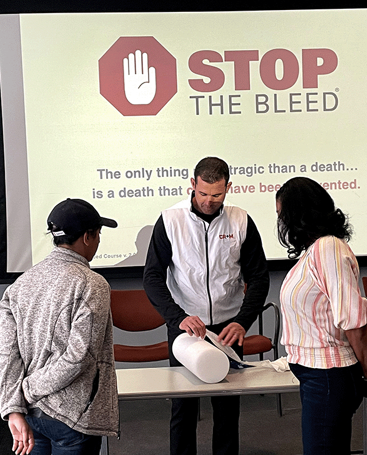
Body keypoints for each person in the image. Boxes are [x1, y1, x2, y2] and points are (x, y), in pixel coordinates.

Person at [143, 156, 270, 455]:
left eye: (216, 195)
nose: (209, 201)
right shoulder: (171, 220)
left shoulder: (241, 220)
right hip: (186, 327)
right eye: (203, 194)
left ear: (228, 187)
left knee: (227, 407)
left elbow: (259, 277)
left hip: (229, 327)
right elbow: (152, 277)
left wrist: (243, 321)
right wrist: (178, 318)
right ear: (192, 185)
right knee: (183, 407)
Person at [275, 177, 367, 455]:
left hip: (328, 376)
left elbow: (356, 323)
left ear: (297, 214)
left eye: (282, 215)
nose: (281, 223)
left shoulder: (328, 248)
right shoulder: (314, 251)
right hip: (318, 375)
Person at [0, 198, 120, 455]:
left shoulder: (19, 284)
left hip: (30, 414)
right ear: (87, 237)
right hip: (72, 417)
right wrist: (28, 389)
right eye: (98, 234)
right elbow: (80, 358)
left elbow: (7, 353)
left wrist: (14, 406)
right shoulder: (92, 284)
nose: (98, 242)